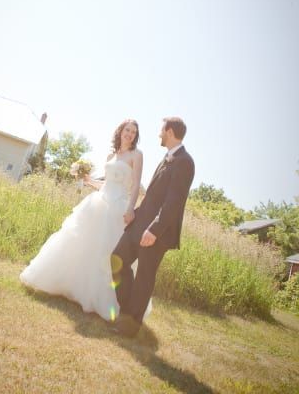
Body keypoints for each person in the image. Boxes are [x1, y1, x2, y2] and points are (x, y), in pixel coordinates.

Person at [20, 119, 150, 321]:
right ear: (120, 131)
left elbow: (134, 186)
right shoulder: (111, 155)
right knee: (82, 244)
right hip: (98, 203)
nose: (130, 134)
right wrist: (88, 180)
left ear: (135, 136)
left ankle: (105, 299)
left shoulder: (137, 155)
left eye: (133, 132)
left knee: (109, 252)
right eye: (127, 130)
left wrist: (131, 209)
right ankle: (72, 287)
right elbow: (106, 184)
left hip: (118, 207)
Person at [111, 117, 195, 338]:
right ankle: (127, 311)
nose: (159, 133)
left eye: (161, 129)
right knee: (116, 260)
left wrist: (154, 230)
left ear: (169, 131)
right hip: (140, 223)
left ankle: (129, 326)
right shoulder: (166, 158)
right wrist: (135, 214)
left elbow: (173, 202)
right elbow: (152, 197)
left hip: (157, 231)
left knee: (144, 278)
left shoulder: (185, 161)